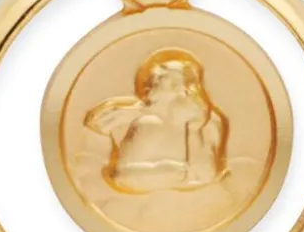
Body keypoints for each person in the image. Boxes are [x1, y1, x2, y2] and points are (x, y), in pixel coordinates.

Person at [84, 49, 229, 194]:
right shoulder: (138, 120)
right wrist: (164, 171)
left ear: (180, 86)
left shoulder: (208, 122)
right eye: (155, 77)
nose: (155, 77)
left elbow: (206, 174)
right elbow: (122, 176)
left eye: (163, 76)